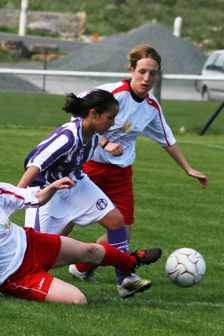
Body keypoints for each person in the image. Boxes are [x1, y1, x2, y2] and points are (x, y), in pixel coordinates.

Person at [0, 158, 161, 304]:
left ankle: (131, 262)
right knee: (78, 300)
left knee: (91, 251)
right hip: (17, 276)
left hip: (32, 243)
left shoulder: (1, 194)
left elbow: (36, 199)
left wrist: (53, 187)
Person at [71, 44, 208, 281]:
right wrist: (104, 144)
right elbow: (78, 113)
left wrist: (188, 168)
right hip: (89, 167)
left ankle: (84, 267)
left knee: (121, 232)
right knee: (66, 220)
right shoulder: (111, 94)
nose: (147, 78)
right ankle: (32, 260)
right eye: (142, 71)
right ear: (131, 69)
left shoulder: (151, 107)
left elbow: (167, 139)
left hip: (121, 174)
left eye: (152, 73)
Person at [17, 89, 157, 298]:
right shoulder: (67, 137)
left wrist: (107, 145)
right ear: (93, 114)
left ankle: (125, 279)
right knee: (34, 256)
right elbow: (33, 165)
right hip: (46, 192)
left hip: (76, 183)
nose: (112, 123)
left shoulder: (93, 136)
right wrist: (16, 198)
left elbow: (90, 149)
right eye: (110, 118)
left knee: (116, 221)